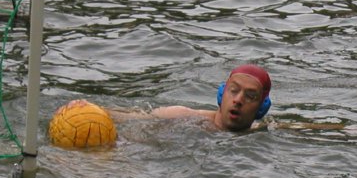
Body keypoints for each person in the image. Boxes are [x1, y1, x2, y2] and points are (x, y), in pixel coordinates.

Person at [112, 64, 271, 133]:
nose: (238, 100)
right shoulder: (181, 116)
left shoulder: (259, 132)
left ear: (261, 109)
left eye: (250, 96)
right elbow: (131, 117)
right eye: (234, 90)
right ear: (222, 94)